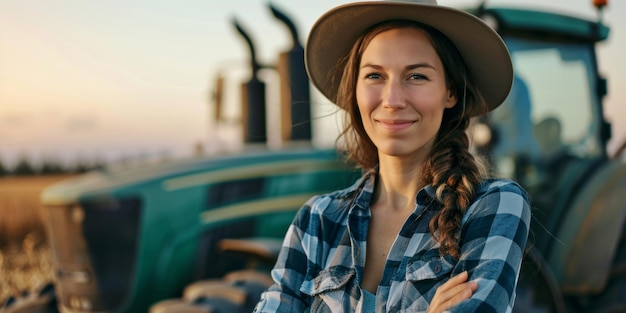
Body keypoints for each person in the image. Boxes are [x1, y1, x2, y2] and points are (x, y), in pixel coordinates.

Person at [254, 0, 530, 312]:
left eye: (416, 76)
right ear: (355, 89)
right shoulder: (316, 220)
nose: (393, 100)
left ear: (449, 92)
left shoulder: (493, 206)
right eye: (374, 76)